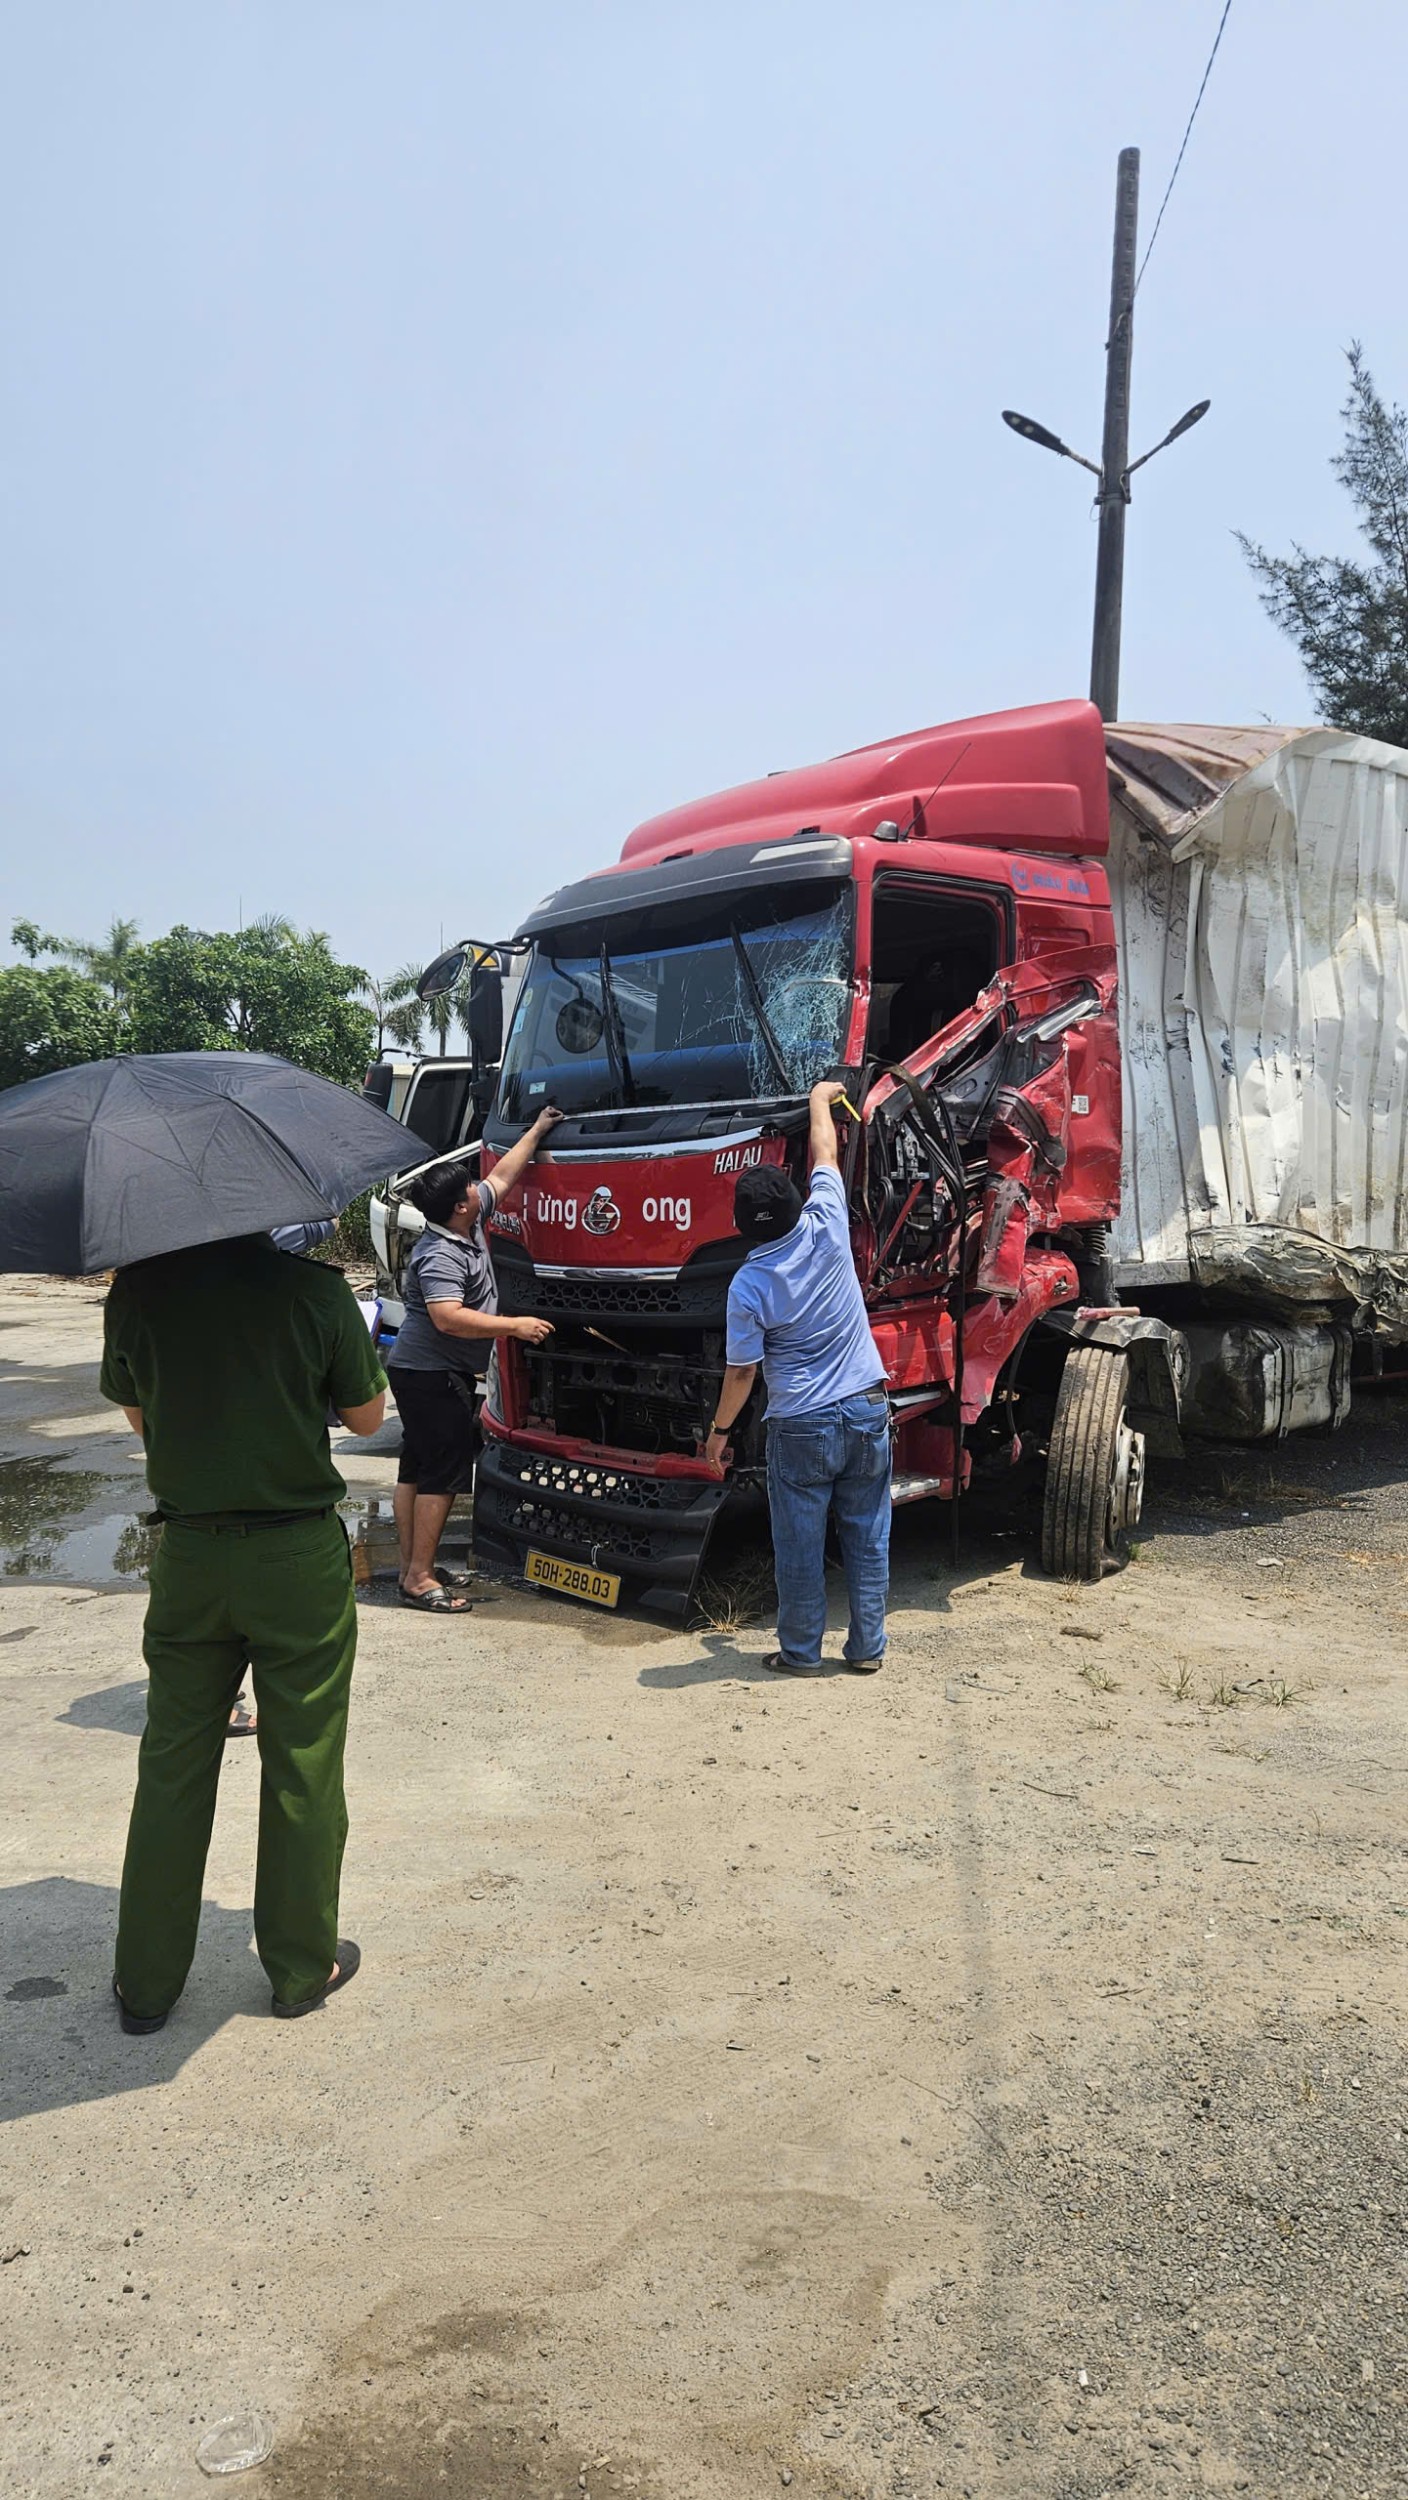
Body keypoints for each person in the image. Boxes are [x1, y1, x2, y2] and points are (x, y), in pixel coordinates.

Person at [99, 1230, 389, 2032]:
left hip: (192, 1554)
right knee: (302, 1757)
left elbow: (140, 1416)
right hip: (295, 1553)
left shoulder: (138, 1293)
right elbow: (368, 1419)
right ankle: (300, 1969)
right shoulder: (317, 1292)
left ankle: (146, 1984)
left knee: (172, 1762)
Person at [707, 1081, 891, 1675]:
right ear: (793, 1202)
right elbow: (825, 1155)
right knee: (867, 1535)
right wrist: (819, 1099)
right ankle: (866, 1651)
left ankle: (801, 1654)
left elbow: (741, 1373)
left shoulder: (747, 1286)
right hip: (865, 1409)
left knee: (800, 1547)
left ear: (742, 1226)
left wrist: (718, 1435)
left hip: (801, 1424)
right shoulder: (827, 1225)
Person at [388, 1106, 562, 1611]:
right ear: (459, 1207)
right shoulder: (441, 1254)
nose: (477, 1187)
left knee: (415, 1469)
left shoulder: (465, 1221)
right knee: (440, 1472)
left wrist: (539, 1128)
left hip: (425, 1371)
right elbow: (448, 1317)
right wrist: (513, 1326)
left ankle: (410, 1566)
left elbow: (505, 1174)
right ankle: (420, 1578)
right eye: (469, 1187)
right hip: (431, 1374)